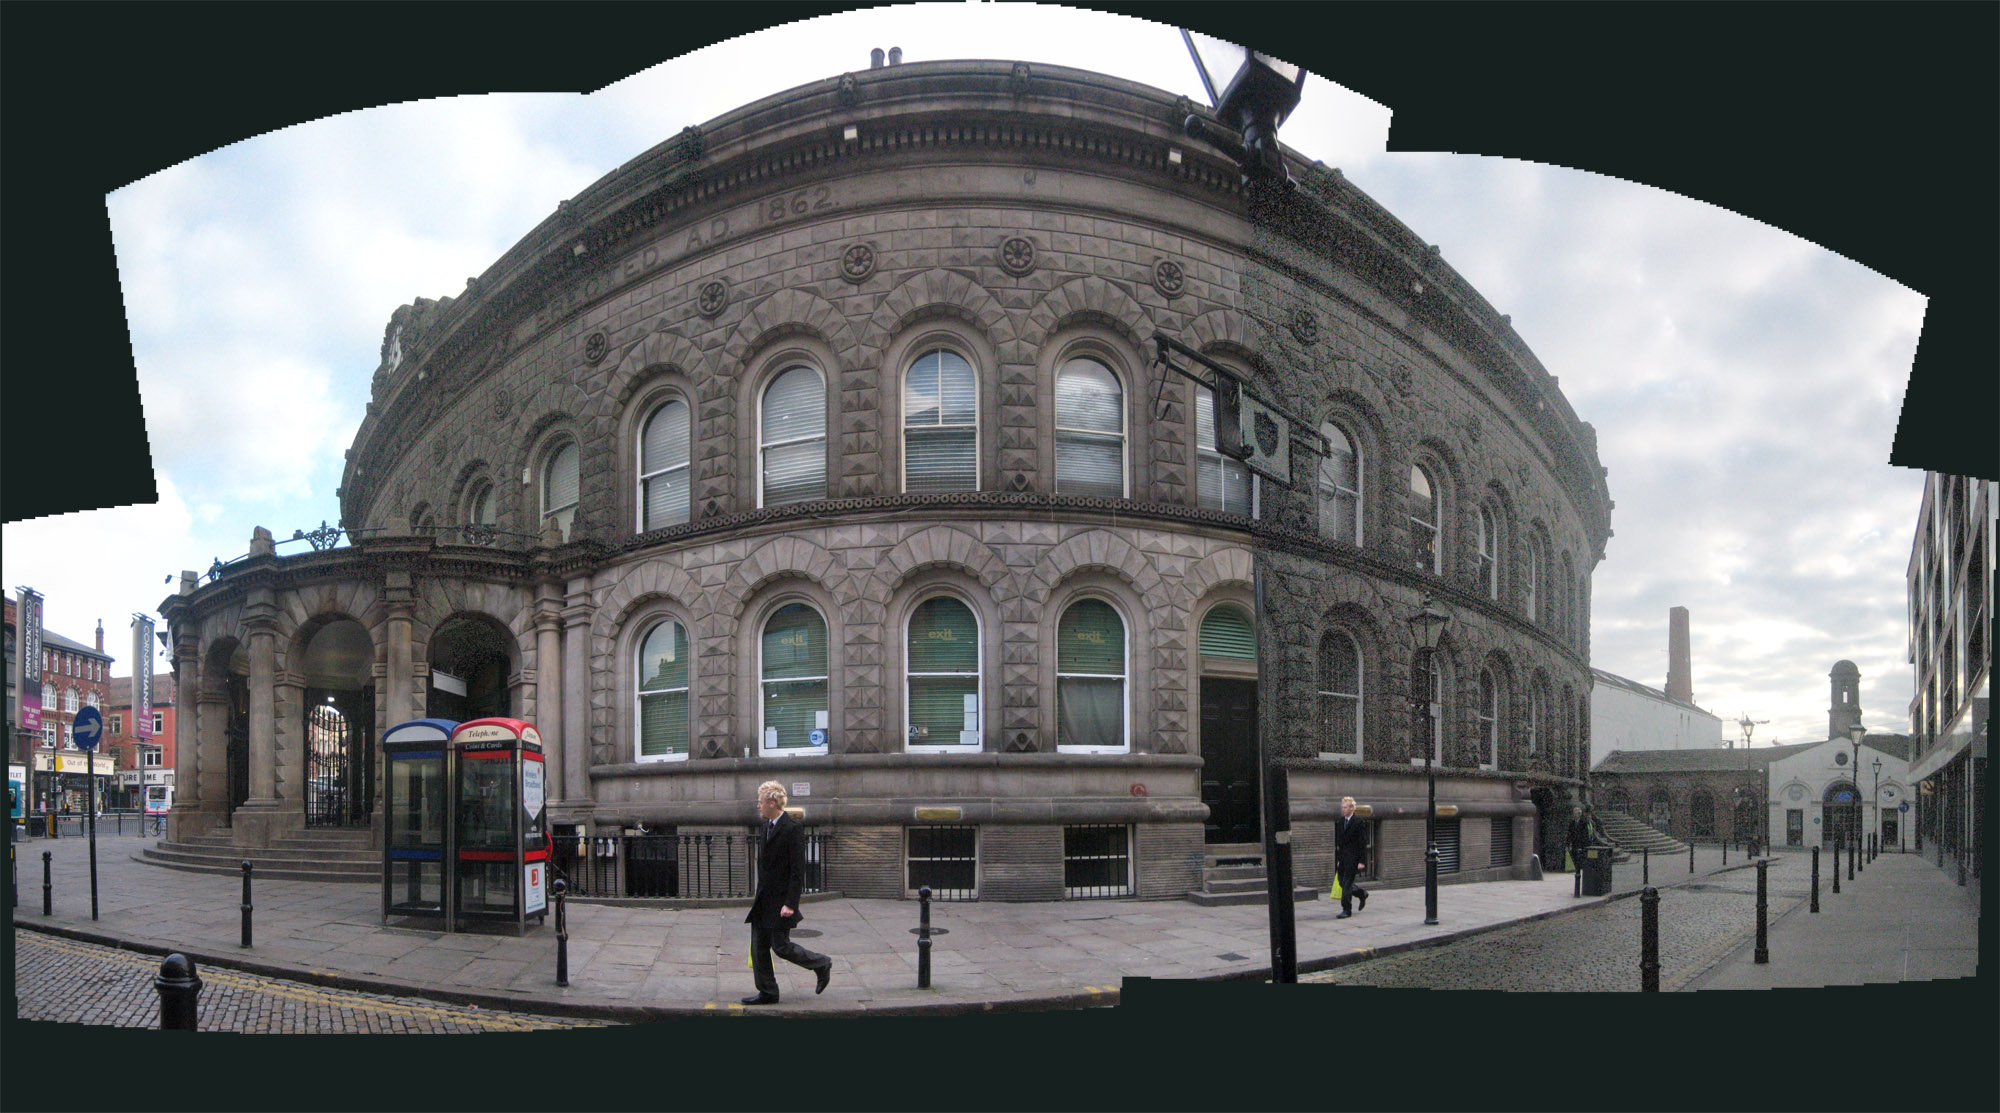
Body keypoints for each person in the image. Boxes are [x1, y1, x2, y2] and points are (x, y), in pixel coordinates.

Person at [741, 780, 832, 1005]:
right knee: (758, 948)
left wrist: (791, 903)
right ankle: (768, 992)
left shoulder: (792, 829)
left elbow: (797, 871)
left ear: (772, 803)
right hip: (764, 899)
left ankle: (821, 963)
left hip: (781, 900)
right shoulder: (765, 827)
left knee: (780, 946)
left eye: (760, 802)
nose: (758, 806)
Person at [1333, 795, 1370, 919]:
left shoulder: (1358, 822)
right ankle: (1361, 893)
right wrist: (1339, 859)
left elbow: (1362, 843)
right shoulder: (1340, 821)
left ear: (1351, 808)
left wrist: (1362, 861)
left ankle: (1346, 909)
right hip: (1343, 858)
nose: (1343, 809)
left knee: (1347, 883)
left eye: (1345, 807)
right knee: (1341, 882)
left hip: (1353, 858)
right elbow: (1340, 843)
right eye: (1342, 807)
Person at [1568, 806, 1598, 870]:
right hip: (1574, 844)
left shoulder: (1584, 822)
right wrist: (1568, 844)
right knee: (1575, 859)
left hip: (1583, 844)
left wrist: (1583, 844)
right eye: (1574, 813)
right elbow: (1569, 834)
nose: (1574, 815)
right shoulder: (1572, 823)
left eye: (1576, 813)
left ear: (1579, 814)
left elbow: (1586, 834)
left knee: (1582, 859)